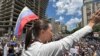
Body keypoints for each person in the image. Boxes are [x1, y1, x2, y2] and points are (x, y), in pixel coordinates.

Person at [21, 9, 100, 56]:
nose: (52, 34)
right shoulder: (41, 50)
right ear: (42, 32)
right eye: (51, 31)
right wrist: (92, 23)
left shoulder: (27, 47)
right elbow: (71, 38)